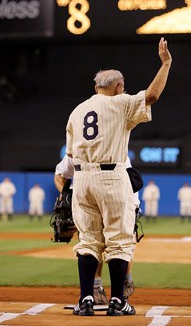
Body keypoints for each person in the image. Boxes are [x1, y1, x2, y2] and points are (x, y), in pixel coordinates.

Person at [63, 37, 171, 316]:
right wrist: (166, 63)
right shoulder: (121, 102)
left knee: (88, 241)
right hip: (111, 178)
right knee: (120, 240)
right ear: (119, 86)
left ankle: (86, 299)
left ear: (95, 87)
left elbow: (71, 157)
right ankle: (118, 300)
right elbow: (152, 95)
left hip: (82, 180)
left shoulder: (77, 111)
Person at [54, 154, 141, 306]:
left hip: (121, 198)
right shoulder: (78, 149)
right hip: (89, 200)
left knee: (122, 242)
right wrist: (66, 194)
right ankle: (96, 288)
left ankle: (125, 281)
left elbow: (133, 180)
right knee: (93, 243)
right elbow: (60, 174)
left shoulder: (114, 148)